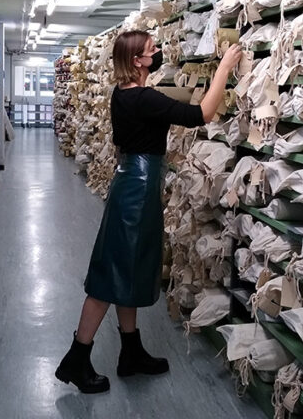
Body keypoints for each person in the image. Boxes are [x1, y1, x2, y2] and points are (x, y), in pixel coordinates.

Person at [55, 29, 242, 394]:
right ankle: (76, 360)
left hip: (132, 184)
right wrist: (223, 70)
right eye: (151, 50)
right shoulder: (143, 98)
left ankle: (131, 352)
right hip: (138, 192)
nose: (157, 53)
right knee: (110, 275)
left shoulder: (122, 94)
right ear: (138, 61)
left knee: (130, 270)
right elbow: (201, 114)